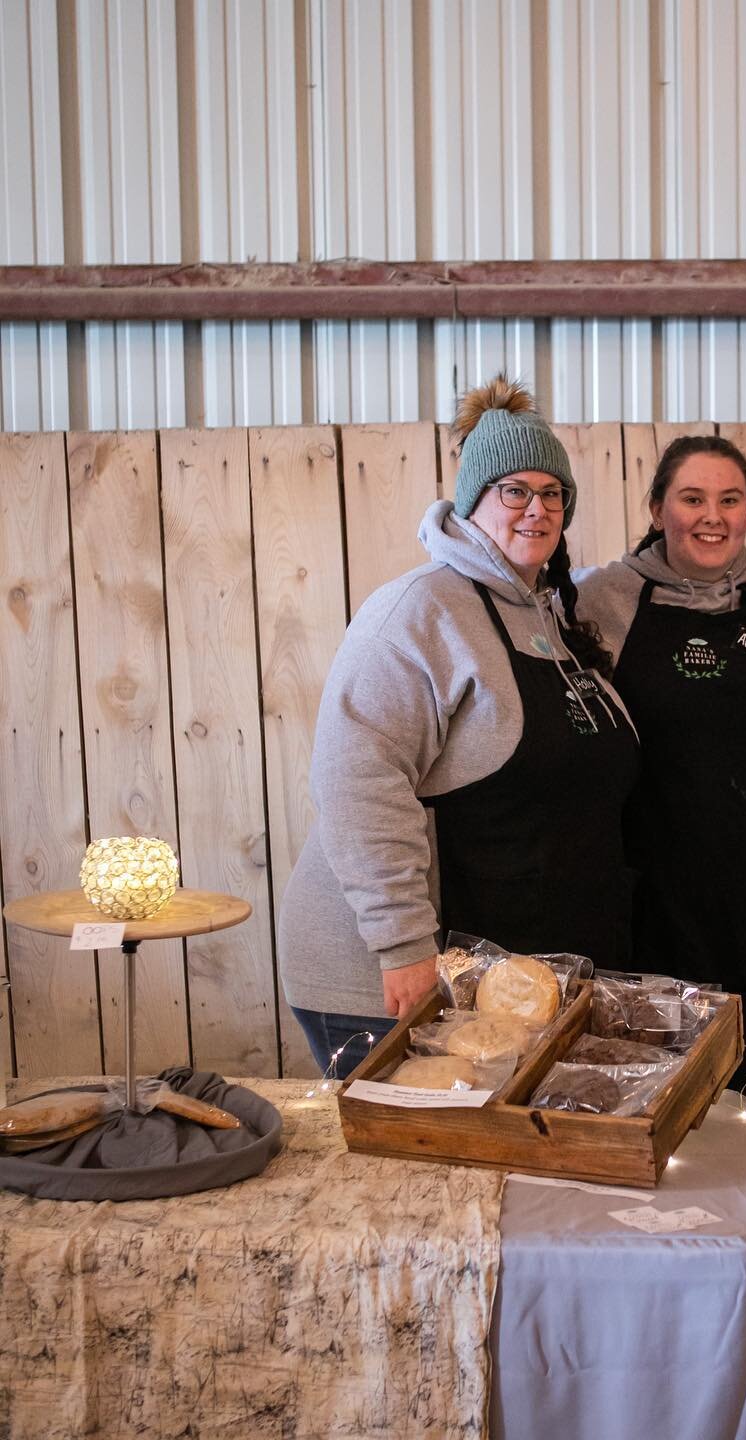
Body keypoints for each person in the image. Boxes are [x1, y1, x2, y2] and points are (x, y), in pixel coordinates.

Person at [278, 376, 638, 1075]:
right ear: (472, 501)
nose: (536, 509)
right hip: (393, 976)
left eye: (552, 493)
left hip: (495, 979)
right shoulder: (418, 611)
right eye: (514, 491)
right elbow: (358, 777)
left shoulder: (546, 617)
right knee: (408, 1175)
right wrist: (404, 945)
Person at [577, 435, 746, 1087]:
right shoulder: (601, 601)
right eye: (692, 498)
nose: (712, 517)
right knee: (667, 1111)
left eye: (730, 499)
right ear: (659, 506)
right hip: (651, 915)